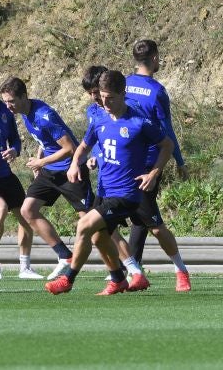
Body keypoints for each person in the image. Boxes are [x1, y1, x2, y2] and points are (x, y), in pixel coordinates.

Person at [44, 70, 173, 295]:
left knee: (84, 225)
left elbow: (167, 145)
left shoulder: (139, 122)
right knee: (98, 235)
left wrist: (153, 173)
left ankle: (68, 280)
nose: (105, 102)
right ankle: (118, 279)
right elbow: (84, 146)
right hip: (105, 191)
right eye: (102, 96)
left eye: (110, 97)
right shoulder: (99, 118)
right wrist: (75, 163)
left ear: (123, 94)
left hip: (127, 193)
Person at [82, 65, 190, 292]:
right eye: (93, 94)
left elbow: (162, 138)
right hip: (108, 179)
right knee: (106, 229)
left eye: (99, 94)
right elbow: (99, 141)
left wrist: (159, 169)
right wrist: (94, 157)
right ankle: (134, 271)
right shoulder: (95, 112)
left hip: (137, 175)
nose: (96, 99)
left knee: (155, 227)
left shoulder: (133, 113)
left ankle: (180, 270)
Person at [123, 40, 191, 291]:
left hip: (131, 160)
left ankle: (137, 271)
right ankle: (133, 270)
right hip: (148, 158)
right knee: (143, 220)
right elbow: (167, 131)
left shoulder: (123, 84)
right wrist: (180, 162)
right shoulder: (156, 91)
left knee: (147, 219)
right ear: (154, 59)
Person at [0, 77, 83, 280]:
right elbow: (44, 140)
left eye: (11, 101)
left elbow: (70, 148)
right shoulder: (25, 112)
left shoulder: (42, 115)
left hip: (68, 170)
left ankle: (124, 265)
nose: (8, 105)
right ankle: (65, 257)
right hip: (49, 170)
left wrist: (39, 162)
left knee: (91, 220)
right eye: (6, 101)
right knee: (26, 210)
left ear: (23, 97)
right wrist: (40, 159)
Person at [0, 101, 42, 279]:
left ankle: (24, 267)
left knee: (25, 215)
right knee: (0, 210)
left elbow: (15, 139)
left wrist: (15, 150)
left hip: (5, 175)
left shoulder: (4, 109)